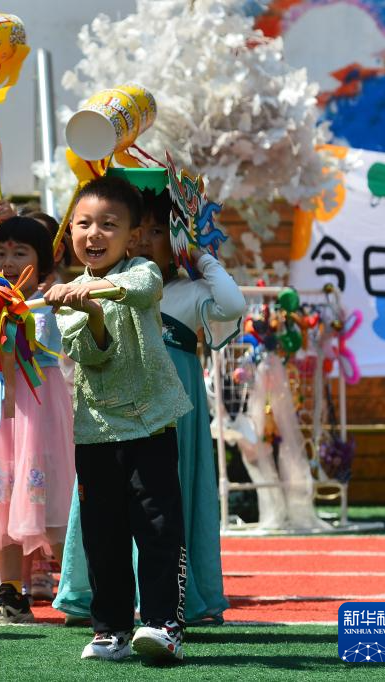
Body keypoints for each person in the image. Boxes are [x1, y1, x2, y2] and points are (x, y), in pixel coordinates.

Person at [44, 177, 191, 662]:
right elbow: (93, 354)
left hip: (151, 423)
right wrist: (90, 312)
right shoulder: (68, 298)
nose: (94, 234)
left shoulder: (142, 270)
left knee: (158, 529)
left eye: (109, 224)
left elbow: (143, 290)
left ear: (132, 235)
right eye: (84, 223)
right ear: (70, 232)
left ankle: (164, 626)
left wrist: (95, 292)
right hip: (96, 431)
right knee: (102, 537)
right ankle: (111, 631)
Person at [132, 186, 244, 624]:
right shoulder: (111, 285)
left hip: (176, 411)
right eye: (136, 229)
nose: (143, 240)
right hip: (124, 404)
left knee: (171, 494)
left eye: (157, 230)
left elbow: (232, 304)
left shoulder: (191, 292)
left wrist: (200, 257)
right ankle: (104, 592)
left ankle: (178, 594)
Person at [0, 216, 75, 624]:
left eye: (20, 252)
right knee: (1, 496)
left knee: (49, 495)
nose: (8, 261)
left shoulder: (50, 301)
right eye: (1, 252)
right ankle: (10, 592)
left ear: (42, 263)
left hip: (37, 409)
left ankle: (83, 588)